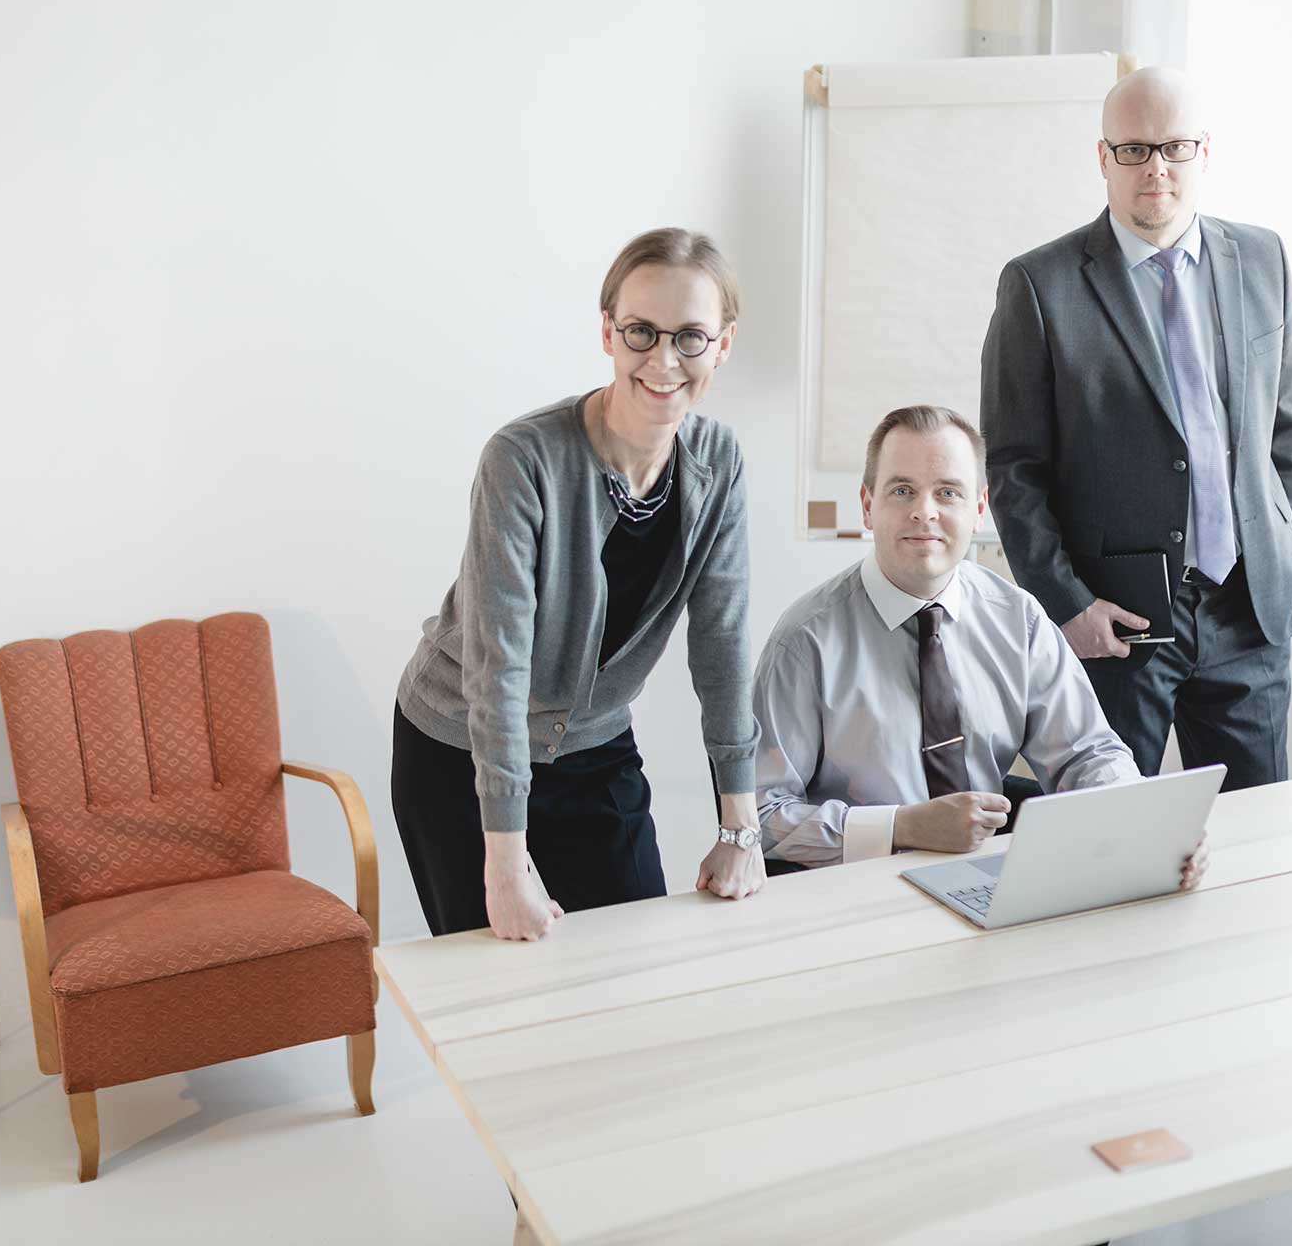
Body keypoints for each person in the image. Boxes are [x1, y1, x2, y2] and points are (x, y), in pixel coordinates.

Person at [392, 228, 764, 941]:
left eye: (690, 337)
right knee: (497, 980)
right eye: (640, 331)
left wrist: (739, 828)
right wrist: (506, 863)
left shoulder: (719, 461)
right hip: (461, 750)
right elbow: (499, 667)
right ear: (607, 333)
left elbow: (722, 642)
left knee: (630, 964)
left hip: (594, 746)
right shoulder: (522, 459)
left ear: (722, 344)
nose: (663, 360)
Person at [981, 65, 1292, 790]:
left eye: (1174, 148)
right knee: (1110, 835)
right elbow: (1014, 469)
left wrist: (1288, 550)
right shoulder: (1039, 285)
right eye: (1133, 150)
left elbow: (1289, 431)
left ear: (1204, 152)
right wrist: (1067, 605)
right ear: (1103, 158)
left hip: (1248, 610)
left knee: (1259, 831)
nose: (1155, 168)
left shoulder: (1263, 258)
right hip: (1118, 625)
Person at [752, 404, 1207, 890]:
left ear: (978, 508)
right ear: (867, 505)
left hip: (986, 880)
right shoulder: (804, 642)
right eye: (902, 490)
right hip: (851, 890)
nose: (925, 511)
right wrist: (901, 827)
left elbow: (1086, 754)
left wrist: (1145, 824)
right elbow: (760, 815)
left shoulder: (1018, 619)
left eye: (947, 492)